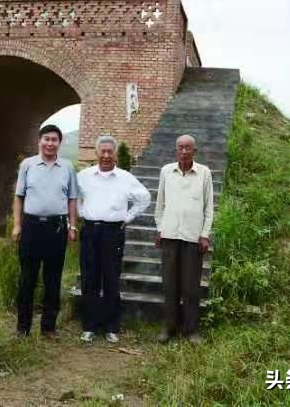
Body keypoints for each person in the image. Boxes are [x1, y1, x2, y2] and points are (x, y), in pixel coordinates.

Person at [76, 135, 151, 343]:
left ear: (115, 153)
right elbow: (72, 198)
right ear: (96, 153)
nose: (106, 155)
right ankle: (89, 326)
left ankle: (111, 326)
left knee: (110, 278)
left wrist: (127, 217)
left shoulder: (126, 178)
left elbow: (145, 198)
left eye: (110, 151)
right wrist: (81, 212)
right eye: (103, 151)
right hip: (90, 231)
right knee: (89, 277)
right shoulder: (83, 176)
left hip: (113, 233)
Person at [13, 124, 78, 338]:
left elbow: (71, 198)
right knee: (27, 280)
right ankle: (23, 327)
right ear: (39, 141)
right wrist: (17, 224)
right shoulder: (27, 165)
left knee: (53, 279)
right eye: (46, 139)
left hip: (56, 227)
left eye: (54, 139)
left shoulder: (67, 167)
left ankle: (48, 327)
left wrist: (72, 225)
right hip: (31, 227)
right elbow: (19, 197)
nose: (50, 143)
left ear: (60, 143)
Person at [154, 134, 214, 344]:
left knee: (190, 287)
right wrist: (160, 228)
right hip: (170, 235)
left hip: (192, 237)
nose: (184, 151)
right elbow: (160, 205)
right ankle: (168, 327)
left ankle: (191, 330)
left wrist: (205, 234)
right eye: (180, 147)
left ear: (194, 151)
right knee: (170, 285)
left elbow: (209, 208)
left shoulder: (204, 173)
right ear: (175, 150)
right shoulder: (166, 172)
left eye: (188, 148)